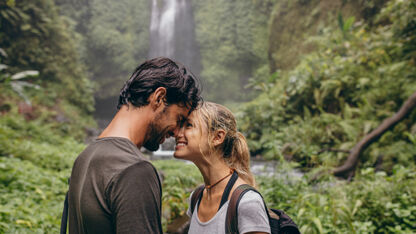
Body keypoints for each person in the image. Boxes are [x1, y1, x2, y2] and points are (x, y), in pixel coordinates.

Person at [67, 57, 202, 234]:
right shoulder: (135, 170)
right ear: (159, 98)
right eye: (179, 119)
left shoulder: (84, 158)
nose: (177, 133)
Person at [174, 102, 271, 234]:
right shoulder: (196, 198)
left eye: (189, 125)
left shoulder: (247, 202)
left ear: (217, 137)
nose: (177, 133)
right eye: (180, 126)